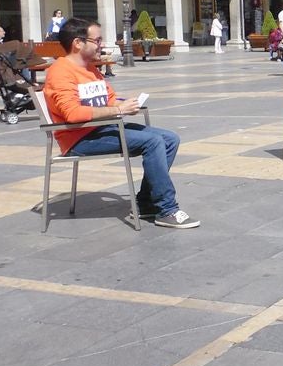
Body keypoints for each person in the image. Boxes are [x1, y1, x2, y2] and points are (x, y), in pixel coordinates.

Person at [44, 18, 199, 228]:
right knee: (153, 142)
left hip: (102, 128)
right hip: (78, 138)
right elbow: (72, 114)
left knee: (169, 138)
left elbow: (107, 99)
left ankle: (145, 203)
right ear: (78, 43)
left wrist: (127, 104)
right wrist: (117, 110)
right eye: (97, 40)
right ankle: (167, 209)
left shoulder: (91, 69)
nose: (101, 44)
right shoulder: (60, 72)